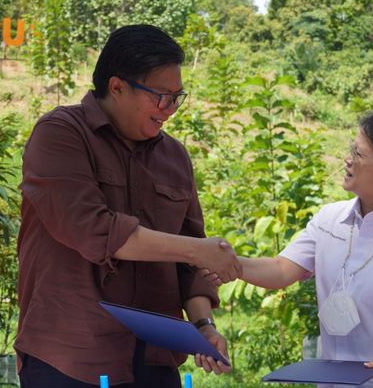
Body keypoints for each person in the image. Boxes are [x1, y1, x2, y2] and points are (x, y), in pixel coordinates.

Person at [15, 24, 238, 387]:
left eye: (177, 97)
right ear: (117, 87)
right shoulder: (60, 133)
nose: (169, 109)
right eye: (160, 97)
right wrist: (199, 250)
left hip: (154, 359)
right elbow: (94, 230)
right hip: (71, 357)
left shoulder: (174, 156)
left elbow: (188, 263)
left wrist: (203, 325)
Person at [216, 112, 373, 387]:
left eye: (359, 155)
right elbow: (281, 270)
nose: (348, 159)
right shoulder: (331, 219)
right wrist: (231, 264)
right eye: (352, 148)